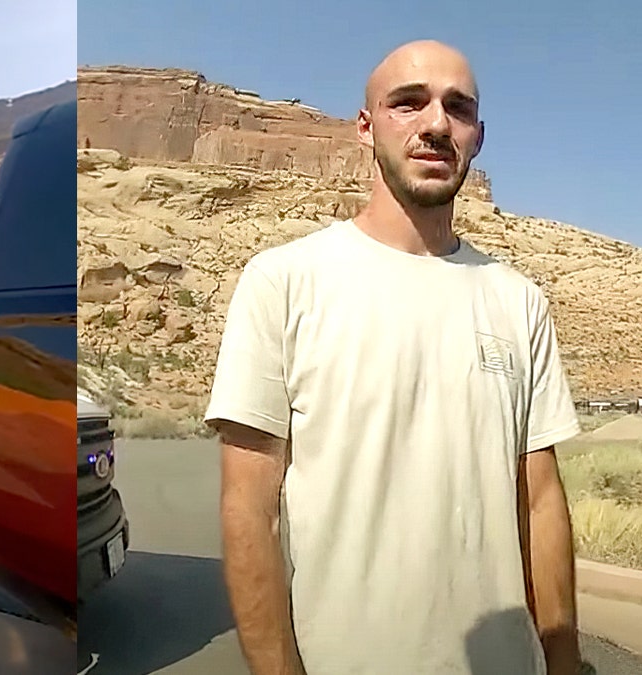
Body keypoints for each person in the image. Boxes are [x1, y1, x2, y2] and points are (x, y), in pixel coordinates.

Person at [204, 40, 582, 675]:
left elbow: (540, 501)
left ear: (478, 136)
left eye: (457, 108)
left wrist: (565, 662)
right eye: (408, 103)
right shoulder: (285, 282)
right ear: (365, 126)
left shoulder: (519, 301)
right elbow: (250, 511)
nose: (436, 124)